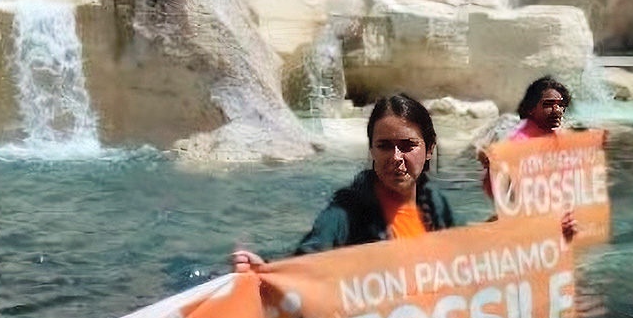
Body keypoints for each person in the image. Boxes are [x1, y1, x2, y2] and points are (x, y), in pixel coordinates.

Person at [232, 93, 456, 271]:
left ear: (429, 149)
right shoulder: (345, 212)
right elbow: (307, 260)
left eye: (408, 146)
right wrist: (265, 270)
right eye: (384, 146)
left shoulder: (436, 205)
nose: (396, 157)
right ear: (372, 150)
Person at [476, 76, 577, 239]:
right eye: (548, 105)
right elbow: (484, 154)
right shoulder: (514, 138)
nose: (557, 110)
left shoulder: (562, 140)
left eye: (561, 105)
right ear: (532, 108)